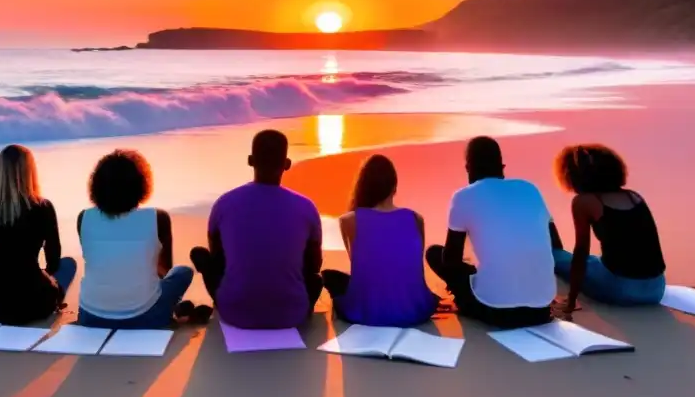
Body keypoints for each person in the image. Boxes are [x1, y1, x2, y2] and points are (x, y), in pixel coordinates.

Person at [190, 129, 323, 329]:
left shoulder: (224, 203)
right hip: (291, 313)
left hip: (234, 312)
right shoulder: (306, 206)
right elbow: (314, 266)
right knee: (316, 280)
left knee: (203, 256)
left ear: (250, 160)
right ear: (287, 164)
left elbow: (218, 257)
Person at [425, 136, 558, 328]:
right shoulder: (530, 189)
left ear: (468, 168)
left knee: (434, 254)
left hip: (496, 312)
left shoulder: (463, 196)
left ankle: (469, 297)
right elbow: (555, 245)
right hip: (541, 310)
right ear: (502, 167)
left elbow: (450, 260)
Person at [76, 149, 194, 329]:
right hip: (145, 317)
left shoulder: (84, 217)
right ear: (141, 184)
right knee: (183, 272)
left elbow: (96, 259)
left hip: (90, 317)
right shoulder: (158, 218)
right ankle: (169, 309)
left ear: (96, 185)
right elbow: (163, 270)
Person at [321, 155, 438, 327]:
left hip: (368, 312)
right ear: (394, 187)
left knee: (330, 277)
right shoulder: (415, 218)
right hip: (415, 310)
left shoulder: (348, 221)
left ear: (364, 187)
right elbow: (414, 264)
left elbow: (359, 266)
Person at [552, 144, 667, 313]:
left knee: (557, 257)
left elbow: (580, 254)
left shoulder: (584, 202)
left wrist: (571, 300)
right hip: (657, 289)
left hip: (622, 290)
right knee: (593, 260)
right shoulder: (634, 196)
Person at [0, 145, 78, 325]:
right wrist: (42, 274)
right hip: (29, 305)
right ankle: (53, 299)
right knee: (68, 264)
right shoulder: (42, 207)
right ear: (30, 171)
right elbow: (53, 259)